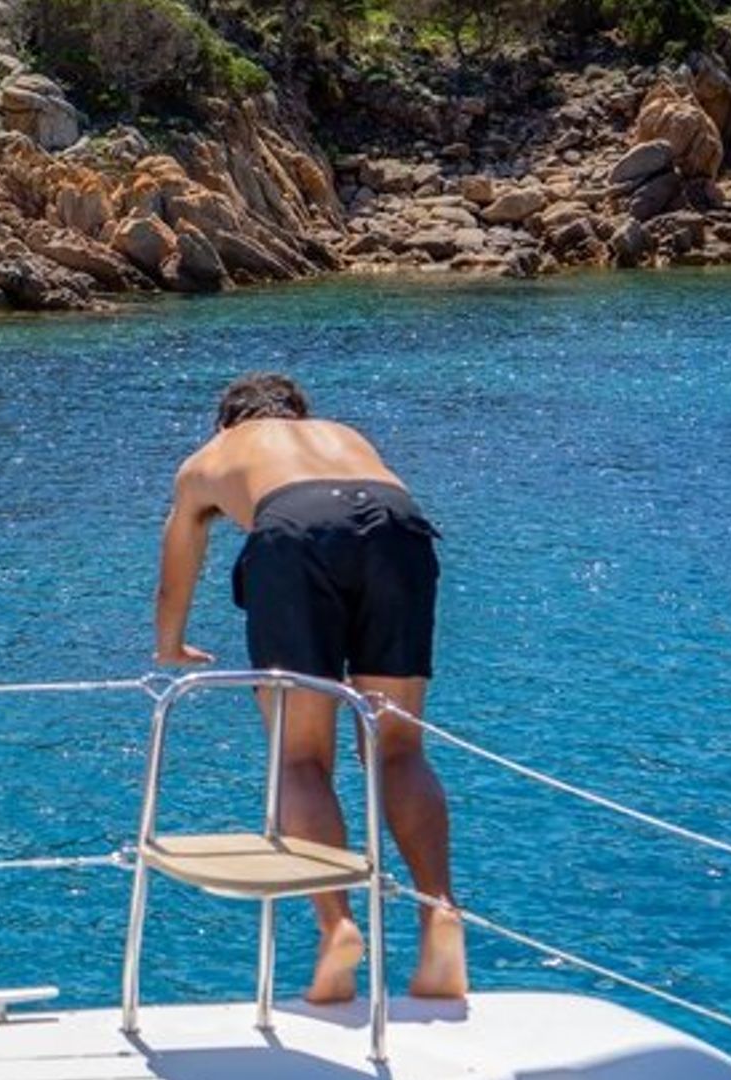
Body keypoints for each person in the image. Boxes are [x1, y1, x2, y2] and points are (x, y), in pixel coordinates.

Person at [152, 371, 468, 1003]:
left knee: (301, 759)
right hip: (397, 523)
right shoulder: (344, 434)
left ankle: (338, 927)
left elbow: (177, 569)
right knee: (399, 749)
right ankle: (439, 915)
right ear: (300, 414)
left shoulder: (208, 459)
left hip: (293, 527)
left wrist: (170, 646)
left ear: (226, 422)